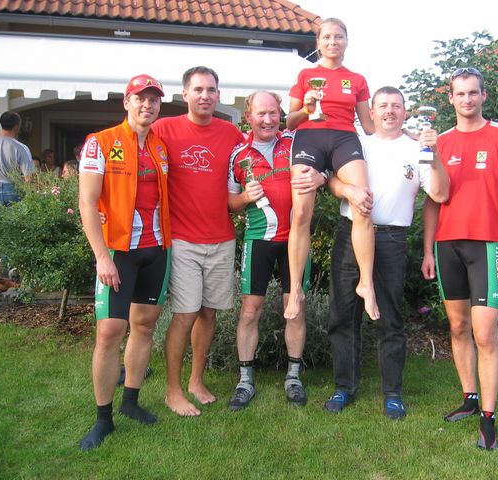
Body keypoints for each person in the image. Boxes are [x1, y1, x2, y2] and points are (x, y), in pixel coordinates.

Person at [421, 67, 498, 450]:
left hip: (487, 245)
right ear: (450, 98)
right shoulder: (440, 142)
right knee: (457, 327)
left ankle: (488, 417)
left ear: (483, 95)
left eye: (473, 93)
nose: (466, 99)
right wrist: (427, 250)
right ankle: (469, 398)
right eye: (460, 93)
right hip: (446, 245)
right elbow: (432, 201)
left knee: (485, 334)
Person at [326, 86, 449, 417]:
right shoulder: (357, 143)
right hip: (351, 233)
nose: (389, 111)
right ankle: (344, 387)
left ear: (405, 112)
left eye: (396, 106)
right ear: (372, 112)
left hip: (391, 240)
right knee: (343, 314)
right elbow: (331, 181)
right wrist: (347, 189)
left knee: (390, 318)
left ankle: (392, 393)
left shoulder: (418, 149)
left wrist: (434, 153)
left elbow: (439, 193)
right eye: (382, 106)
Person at [78, 74, 171, 451]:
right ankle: (103, 418)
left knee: (144, 326)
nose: (147, 105)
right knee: (109, 332)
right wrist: (102, 257)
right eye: (140, 98)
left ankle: (130, 401)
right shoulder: (100, 142)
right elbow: (87, 203)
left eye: (153, 99)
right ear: (126, 102)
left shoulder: (160, 147)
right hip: (118, 252)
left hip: (157, 250)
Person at [151, 66, 244, 417]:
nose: (205, 96)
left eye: (211, 90)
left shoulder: (231, 133)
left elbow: (252, 161)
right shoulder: (164, 129)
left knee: (208, 312)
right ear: (185, 94)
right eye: (198, 89)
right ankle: (172, 390)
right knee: (186, 313)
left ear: (218, 95)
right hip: (183, 239)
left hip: (221, 237)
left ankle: (195, 381)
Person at [226, 91, 325, 411]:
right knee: (250, 311)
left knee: (295, 306)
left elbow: (329, 164)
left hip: (296, 241)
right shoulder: (238, 155)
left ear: (280, 113)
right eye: (261, 114)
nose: (268, 120)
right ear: (248, 117)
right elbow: (230, 202)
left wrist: (321, 177)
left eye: (273, 113)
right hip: (259, 239)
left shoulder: (296, 142)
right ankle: (245, 381)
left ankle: (293, 377)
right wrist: (245, 198)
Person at [284, 17, 379, 323]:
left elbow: (369, 127)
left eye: (338, 37)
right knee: (301, 212)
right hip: (309, 138)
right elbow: (289, 122)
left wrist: (407, 133)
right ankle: (296, 289)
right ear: (318, 43)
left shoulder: (357, 79)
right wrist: (307, 108)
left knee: (363, 202)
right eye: (326, 37)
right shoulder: (306, 74)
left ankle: (366, 283)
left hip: (343, 138)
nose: (332, 42)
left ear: (346, 42)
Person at [0, 111, 35, 220]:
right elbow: (29, 177)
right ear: (16, 126)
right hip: (14, 189)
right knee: (14, 226)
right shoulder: (20, 147)